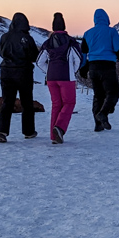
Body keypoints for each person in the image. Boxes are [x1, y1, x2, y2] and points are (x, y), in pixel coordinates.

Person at [37, 13, 83, 144]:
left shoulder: (48, 43)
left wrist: (49, 71)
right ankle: (60, 128)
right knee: (69, 103)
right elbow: (78, 59)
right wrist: (72, 71)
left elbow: (40, 61)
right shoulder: (70, 41)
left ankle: (54, 136)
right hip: (66, 77)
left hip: (51, 78)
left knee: (56, 105)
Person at [0, 12, 39, 143]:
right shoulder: (27, 38)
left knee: (7, 102)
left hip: (6, 72)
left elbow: (1, 53)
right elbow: (34, 56)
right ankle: (29, 131)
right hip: (24, 72)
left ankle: (2, 131)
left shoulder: (4, 37)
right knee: (27, 103)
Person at [80, 8, 119, 132]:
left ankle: (98, 124)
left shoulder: (87, 33)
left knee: (98, 96)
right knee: (113, 93)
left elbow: (83, 53)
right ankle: (103, 113)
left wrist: (83, 68)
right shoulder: (112, 32)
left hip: (93, 67)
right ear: (107, 19)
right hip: (108, 67)